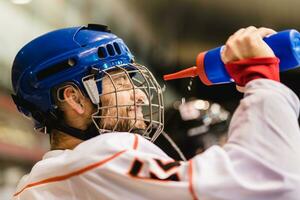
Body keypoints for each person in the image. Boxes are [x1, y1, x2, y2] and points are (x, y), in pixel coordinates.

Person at [11, 24, 300, 200]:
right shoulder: (97, 159)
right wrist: (259, 78)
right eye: (121, 81)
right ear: (74, 99)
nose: (138, 95)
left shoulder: (45, 182)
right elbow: (268, 184)